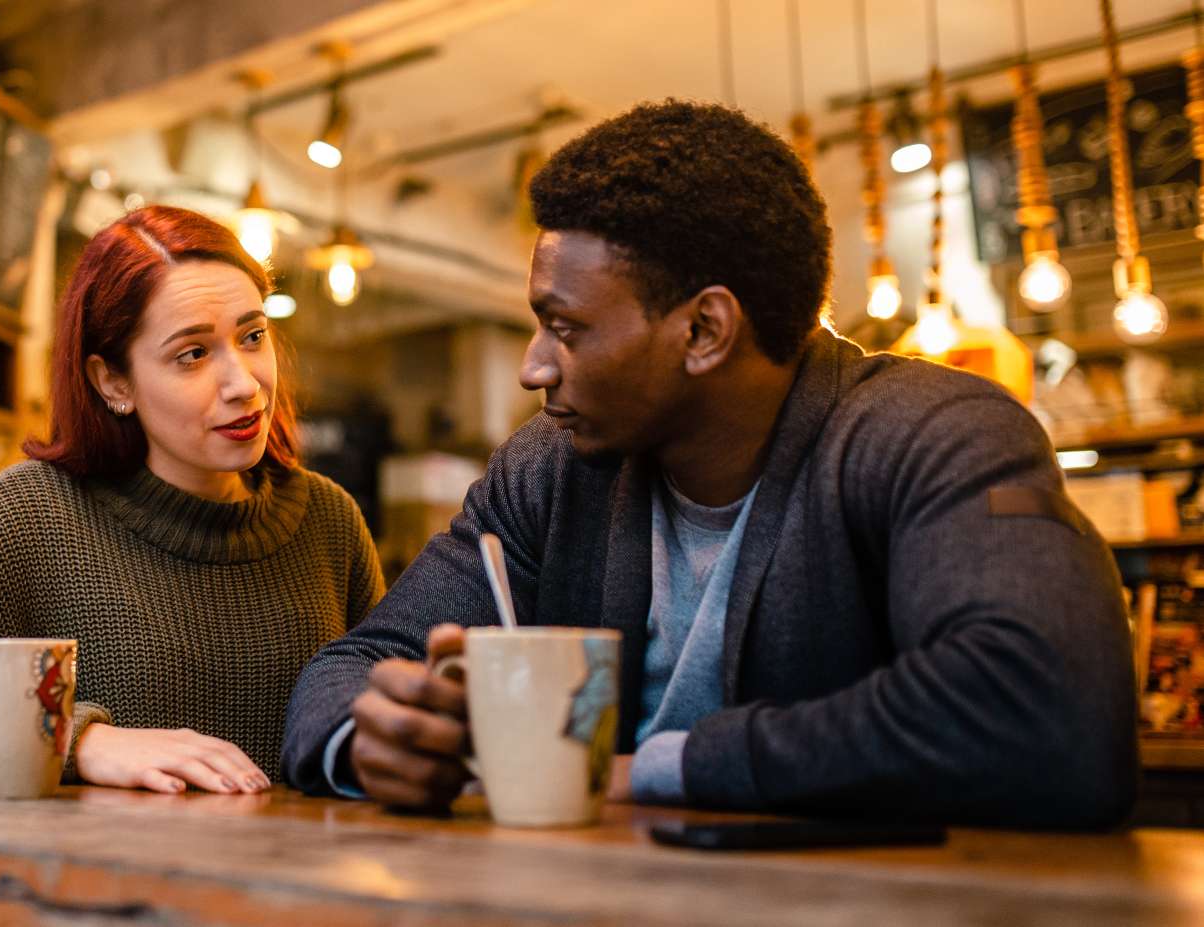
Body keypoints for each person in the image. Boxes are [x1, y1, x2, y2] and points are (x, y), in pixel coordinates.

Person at [282, 100, 1137, 827]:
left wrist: (664, 767)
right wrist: (378, 735)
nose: (533, 366)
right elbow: (341, 671)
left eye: (566, 327)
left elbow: (1046, 712)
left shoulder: (933, 433)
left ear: (704, 330)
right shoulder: (551, 466)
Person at [0, 206, 383, 794]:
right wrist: (82, 741)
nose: (244, 383)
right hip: (100, 877)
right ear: (112, 382)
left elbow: (381, 706)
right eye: (192, 354)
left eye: (252, 337)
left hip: (296, 879)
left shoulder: (330, 520)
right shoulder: (32, 512)